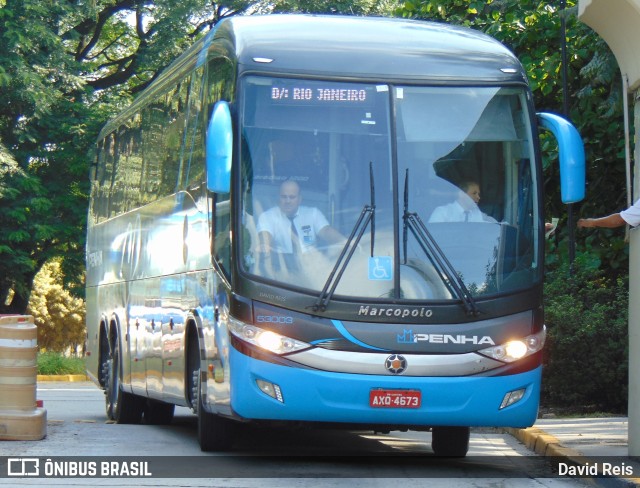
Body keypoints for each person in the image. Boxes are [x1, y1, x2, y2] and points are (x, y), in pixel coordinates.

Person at [257, 180, 344, 260]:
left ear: (299, 199)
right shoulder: (267, 216)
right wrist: (264, 244)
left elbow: (326, 231)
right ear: (279, 198)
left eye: (292, 197)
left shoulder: (313, 213)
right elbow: (265, 234)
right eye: (284, 197)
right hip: (282, 268)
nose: (288, 201)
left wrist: (344, 242)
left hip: (311, 265)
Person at [428, 180, 497, 223]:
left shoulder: (478, 214)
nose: (478, 197)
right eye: (474, 193)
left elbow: (496, 226)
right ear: (461, 194)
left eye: (478, 194)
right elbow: (433, 235)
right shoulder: (442, 213)